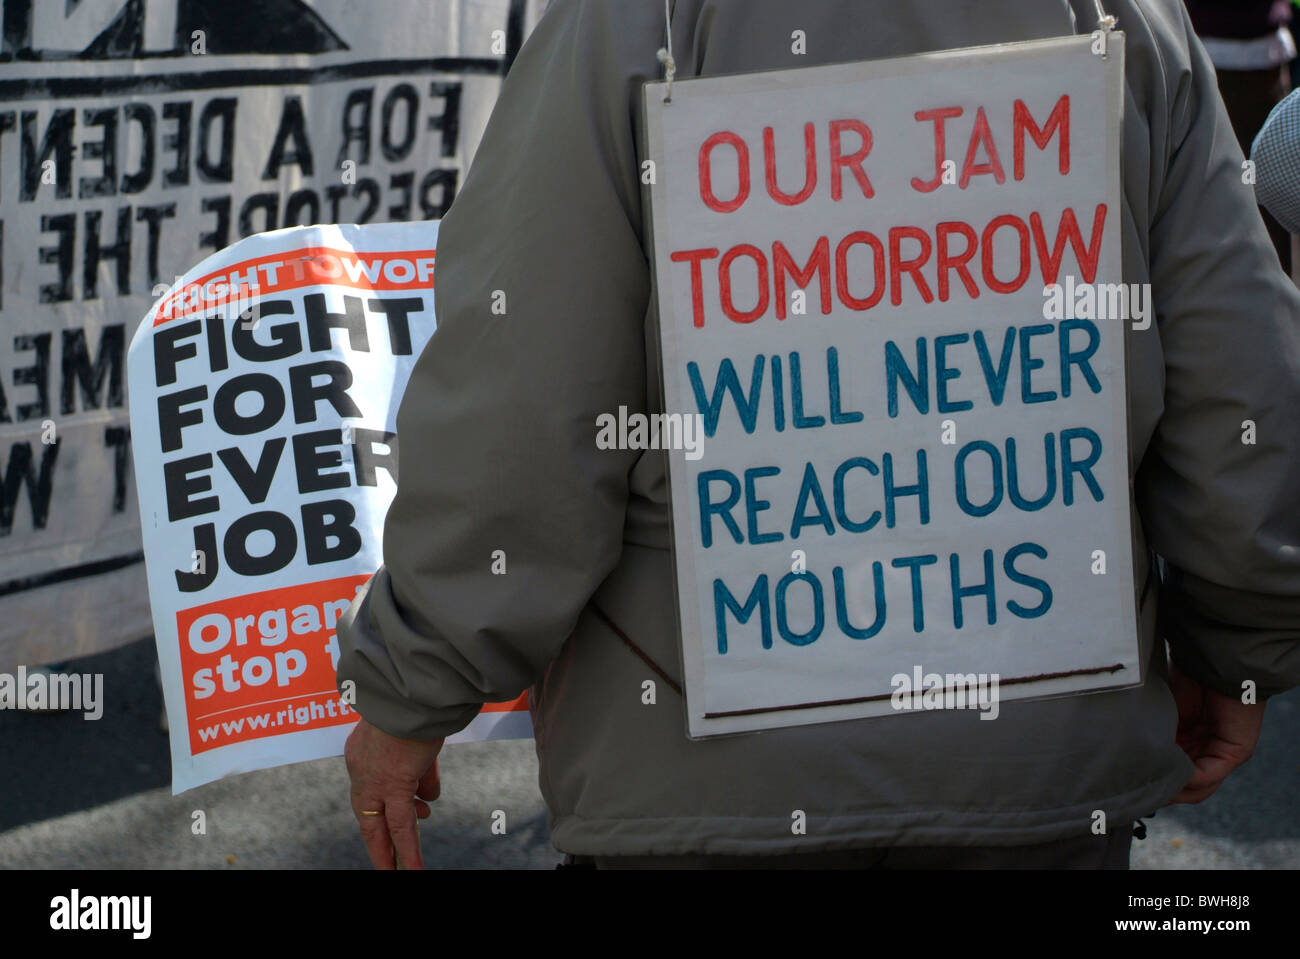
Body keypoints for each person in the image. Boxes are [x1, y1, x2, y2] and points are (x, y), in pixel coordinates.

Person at [336, 0, 1300, 869]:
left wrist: (418, 679)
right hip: (1040, 782)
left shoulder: (627, 24)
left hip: (706, 790)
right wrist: (1238, 648)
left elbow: (528, 394)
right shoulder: (1133, 18)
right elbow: (1237, 385)